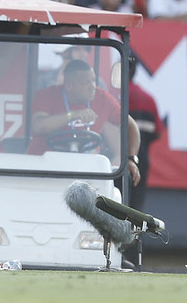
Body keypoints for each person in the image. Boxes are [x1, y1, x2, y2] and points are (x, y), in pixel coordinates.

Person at [27, 59, 141, 185]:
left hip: (87, 171)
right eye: (86, 82)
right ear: (69, 85)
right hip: (44, 169)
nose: (92, 86)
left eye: (93, 80)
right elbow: (38, 126)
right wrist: (73, 115)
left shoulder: (101, 97)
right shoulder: (47, 95)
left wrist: (131, 159)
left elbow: (131, 126)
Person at [127, 56, 163, 209]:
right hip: (140, 162)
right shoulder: (148, 99)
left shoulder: (113, 96)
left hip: (114, 163)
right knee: (135, 212)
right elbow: (158, 132)